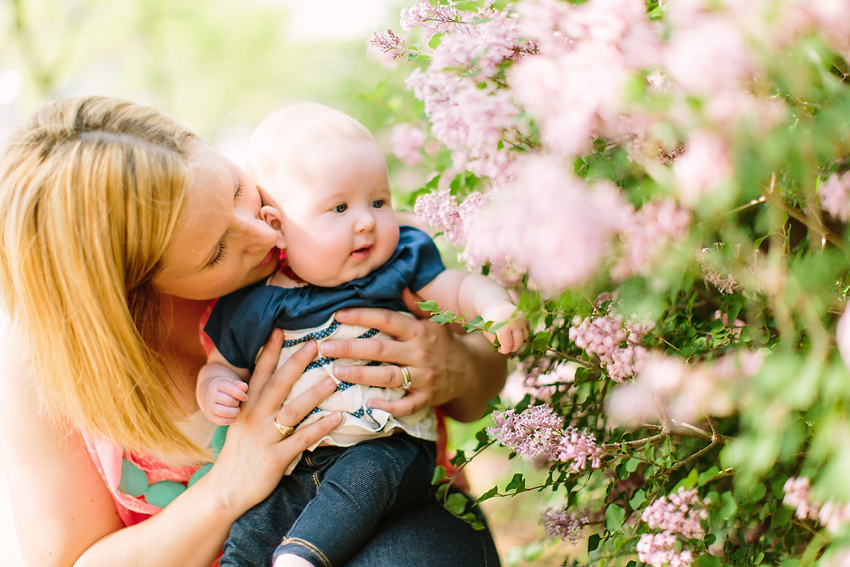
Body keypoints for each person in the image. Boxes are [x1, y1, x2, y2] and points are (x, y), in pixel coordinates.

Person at [0, 96, 506, 567]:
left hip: (400, 517)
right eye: (217, 251)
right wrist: (230, 485)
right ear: (132, 288)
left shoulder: (324, 236)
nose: (265, 233)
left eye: (237, 190)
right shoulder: (43, 376)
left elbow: (476, 392)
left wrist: (460, 369)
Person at [196, 103, 528, 567]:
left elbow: (457, 287)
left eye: (378, 201)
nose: (367, 220)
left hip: (391, 446)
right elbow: (221, 363)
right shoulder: (262, 301)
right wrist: (215, 388)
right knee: (255, 526)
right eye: (339, 207)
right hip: (299, 466)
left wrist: (493, 307)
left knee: (366, 478)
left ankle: (302, 556)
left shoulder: (399, 265)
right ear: (278, 228)